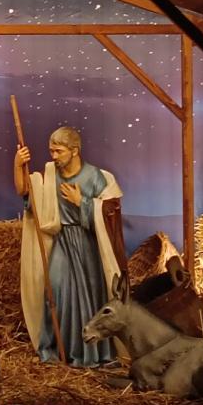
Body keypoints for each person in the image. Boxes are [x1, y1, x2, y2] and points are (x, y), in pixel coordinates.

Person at [14, 126, 123, 367]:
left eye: (59, 151)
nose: (53, 156)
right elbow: (27, 194)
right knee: (55, 291)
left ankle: (89, 353)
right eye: (51, 151)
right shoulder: (51, 175)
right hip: (63, 242)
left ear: (74, 150)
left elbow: (111, 214)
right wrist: (18, 165)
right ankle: (57, 348)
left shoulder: (96, 177)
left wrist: (82, 202)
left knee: (89, 297)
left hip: (88, 244)